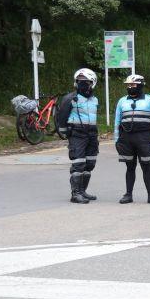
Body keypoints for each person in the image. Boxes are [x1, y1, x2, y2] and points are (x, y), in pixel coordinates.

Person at [114, 74, 150, 205]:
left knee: (146, 167)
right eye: (128, 85)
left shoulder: (149, 101)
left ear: (140, 85)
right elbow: (117, 121)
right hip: (126, 138)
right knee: (129, 167)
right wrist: (116, 139)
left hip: (144, 138)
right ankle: (128, 194)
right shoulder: (122, 101)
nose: (130, 87)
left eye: (133, 85)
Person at [56, 68, 100, 204]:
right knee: (78, 163)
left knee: (90, 163)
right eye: (80, 81)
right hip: (77, 133)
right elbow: (61, 116)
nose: (83, 84)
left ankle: (82, 191)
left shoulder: (95, 100)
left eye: (86, 82)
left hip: (92, 133)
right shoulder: (70, 98)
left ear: (92, 83)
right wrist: (64, 132)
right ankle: (75, 194)